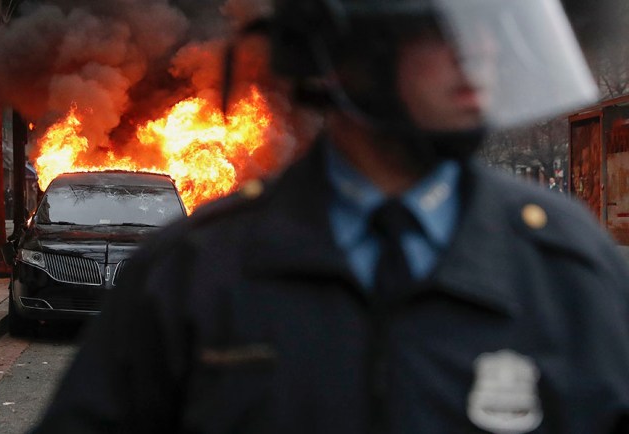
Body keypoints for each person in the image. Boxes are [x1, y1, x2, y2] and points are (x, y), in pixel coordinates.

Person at [34, 0, 629, 432]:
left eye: (492, 26)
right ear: (344, 54)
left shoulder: (568, 266)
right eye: (445, 29)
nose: (483, 55)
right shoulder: (192, 275)